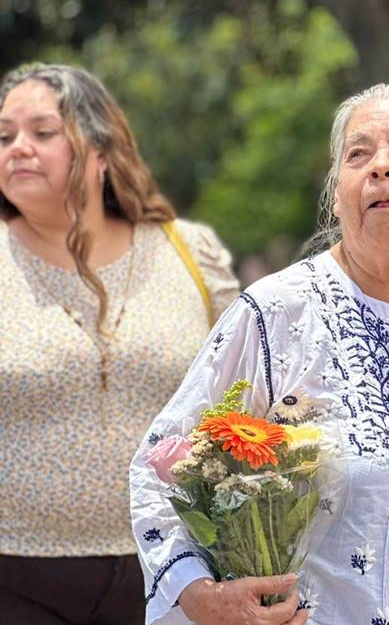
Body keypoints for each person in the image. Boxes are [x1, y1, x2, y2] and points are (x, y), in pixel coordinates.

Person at [130, 83, 389, 624]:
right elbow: (159, 466)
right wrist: (198, 594)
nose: (382, 167)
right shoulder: (278, 311)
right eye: (358, 154)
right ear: (337, 194)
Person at [0, 63, 239, 625]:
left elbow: (246, 393)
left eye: (42, 132)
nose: (18, 148)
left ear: (102, 151)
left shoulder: (189, 254)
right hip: (14, 578)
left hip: (180, 574)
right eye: (5, 136)